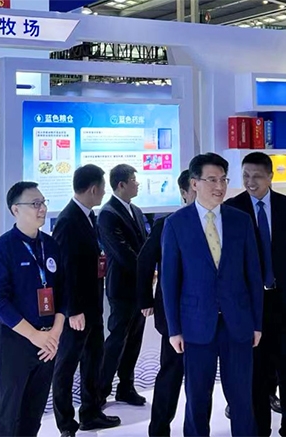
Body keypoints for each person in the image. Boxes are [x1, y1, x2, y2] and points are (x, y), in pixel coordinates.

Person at [161, 152, 263, 436]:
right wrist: (174, 329)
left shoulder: (240, 221)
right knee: (197, 397)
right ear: (194, 183)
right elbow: (169, 281)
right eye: (212, 180)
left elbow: (253, 276)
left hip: (238, 322)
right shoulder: (176, 223)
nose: (220, 186)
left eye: (223, 180)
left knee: (242, 397)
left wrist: (257, 323)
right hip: (195, 324)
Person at [226, 151, 286, 437]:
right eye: (245, 175)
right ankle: (261, 428)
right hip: (250, 303)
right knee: (257, 368)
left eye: (257, 176)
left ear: (271, 176)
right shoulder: (232, 209)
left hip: (284, 300)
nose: (250, 181)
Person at [0, 181, 66, 437]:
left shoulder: (51, 245)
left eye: (43, 203)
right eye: (35, 203)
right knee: (8, 411)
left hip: (48, 342)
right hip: (16, 340)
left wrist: (54, 334)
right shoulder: (2, 249)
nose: (42, 209)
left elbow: (64, 293)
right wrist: (34, 335)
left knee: (34, 409)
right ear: (15, 210)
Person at [52, 164, 120, 436]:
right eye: (103, 188)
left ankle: (91, 413)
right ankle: (66, 424)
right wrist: (72, 309)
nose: (104, 193)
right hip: (77, 310)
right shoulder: (68, 220)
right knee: (66, 365)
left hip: (93, 306)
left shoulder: (89, 216)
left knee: (93, 360)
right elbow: (65, 270)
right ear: (93, 189)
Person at [138, 170, 197, 437]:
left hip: (209, 313)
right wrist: (145, 298)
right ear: (184, 192)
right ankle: (159, 429)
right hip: (175, 314)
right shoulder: (167, 224)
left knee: (202, 375)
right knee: (172, 372)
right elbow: (144, 261)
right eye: (195, 187)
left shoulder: (218, 222)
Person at [98, 164, 149, 407]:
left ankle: (126, 387)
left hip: (140, 287)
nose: (137, 184)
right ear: (121, 184)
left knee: (135, 339)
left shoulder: (136, 210)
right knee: (117, 339)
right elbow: (122, 252)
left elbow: (144, 245)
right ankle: (101, 390)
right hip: (122, 288)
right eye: (133, 180)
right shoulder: (108, 214)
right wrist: (146, 270)